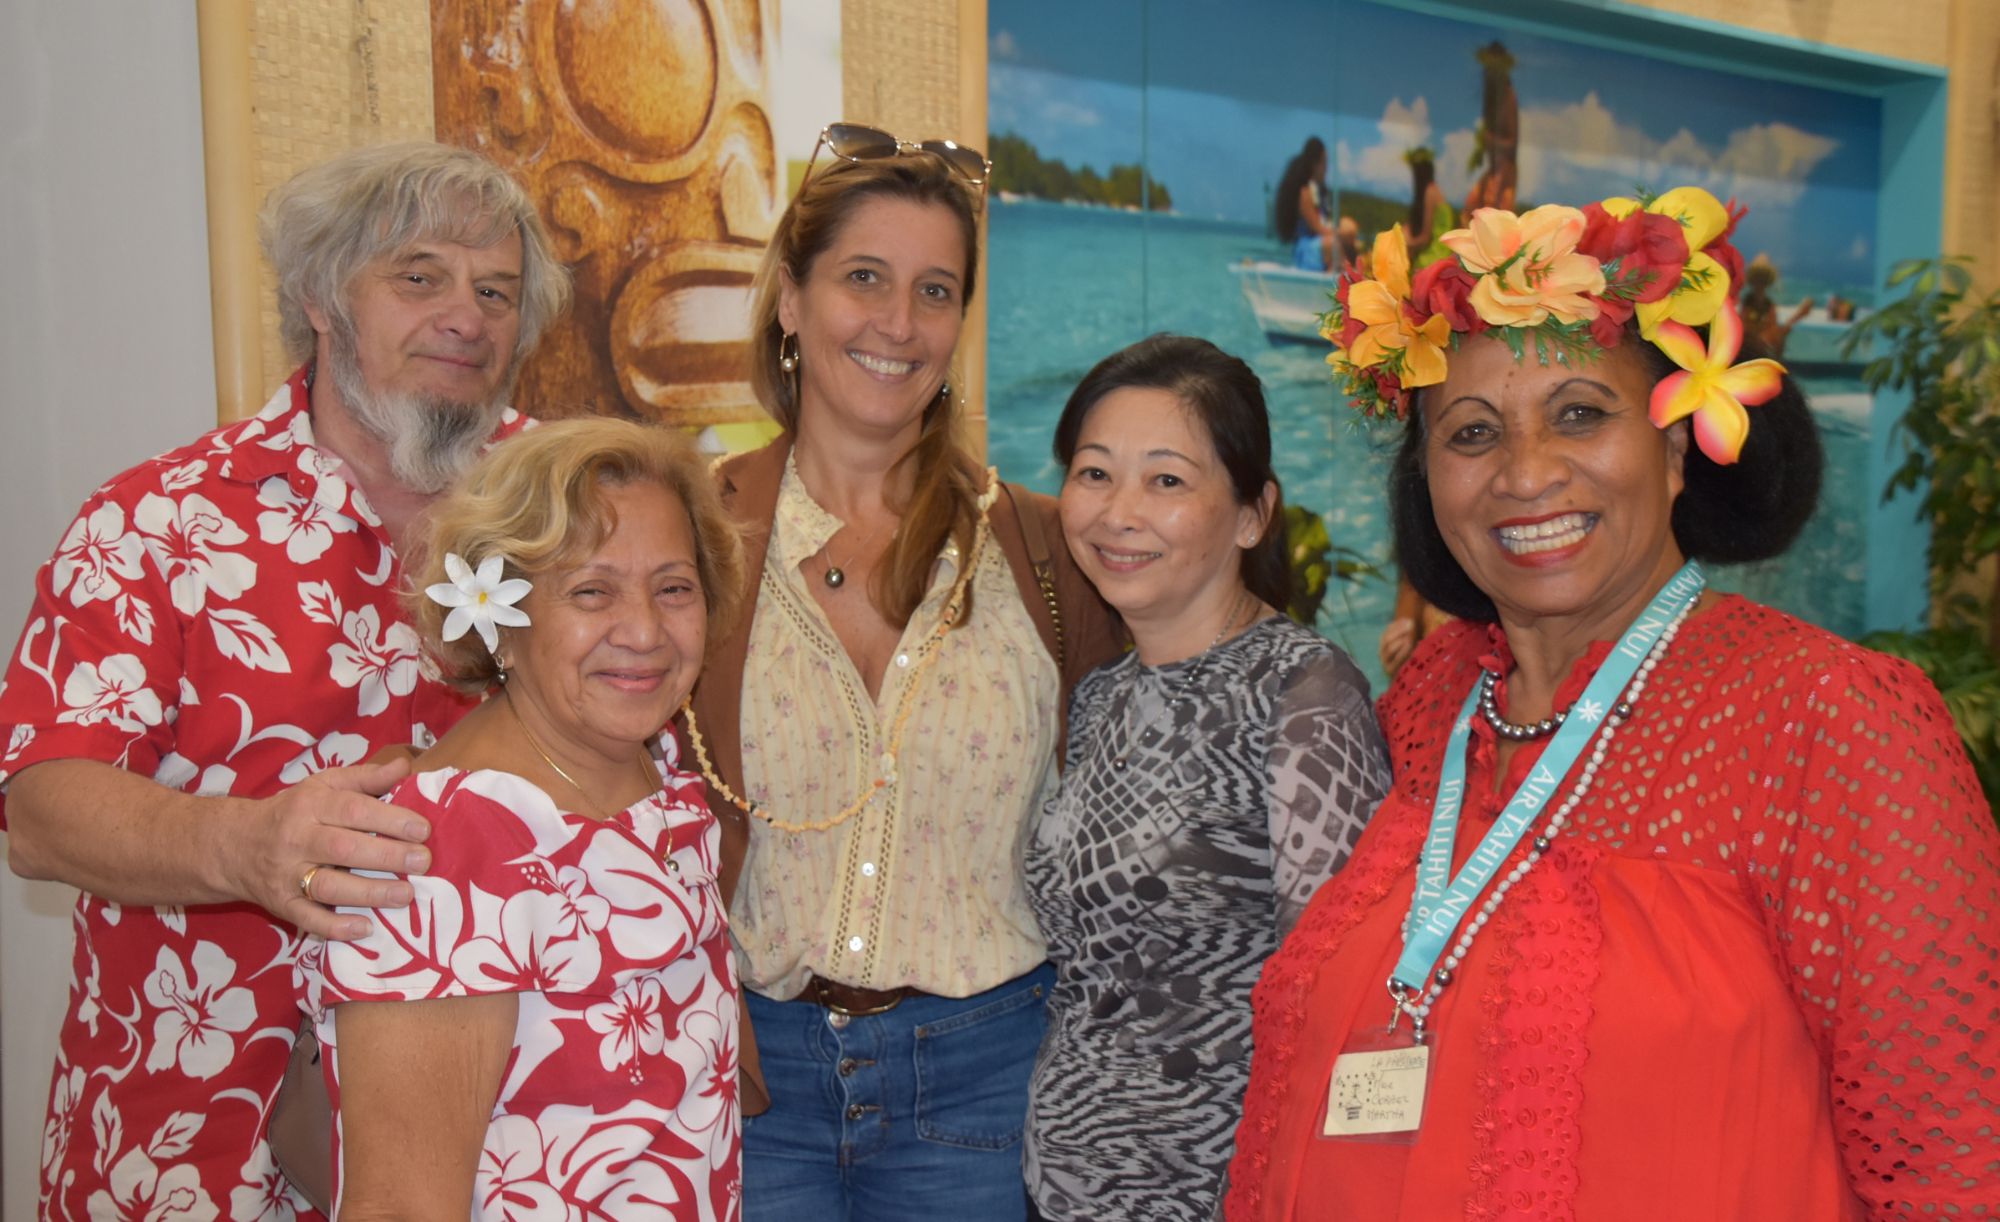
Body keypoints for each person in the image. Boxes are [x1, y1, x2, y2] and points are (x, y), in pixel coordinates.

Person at [1235, 188, 2000, 1219]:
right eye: (1469, 433)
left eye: (1579, 414)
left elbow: (1955, 1161)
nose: (1524, 472)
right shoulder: (1429, 698)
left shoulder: (1828, 721)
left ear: (1677, 446)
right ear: (1426, 480)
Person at [0, 141, 570, 1218]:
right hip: (196, 1144)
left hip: (512, 1152)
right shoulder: (157, 523)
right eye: (419, 276)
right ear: (319, 296)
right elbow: (39, 807)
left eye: (496, 291)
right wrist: (244, 847)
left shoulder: (572, 517)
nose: (467, 314)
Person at [674, 123, 1122, 1220]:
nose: (897, 323)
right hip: (745, 1070)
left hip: (983, 1075)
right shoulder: (689, 531)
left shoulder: (1047, 550)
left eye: (934, 291)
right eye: (862, 278)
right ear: (790, 298)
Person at [295, 417, 744, 1217]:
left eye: (674, 587)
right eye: (591, 591)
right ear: (502, 617)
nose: (644, 631)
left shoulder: (654, 768)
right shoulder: (442, 853)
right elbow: (401, 1206)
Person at [1024, 334, 1391, 1221]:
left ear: (1253, 514)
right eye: (1094, 472)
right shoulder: (1104, 691)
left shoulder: (1304, 692)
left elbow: (1340, 996)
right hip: (1059, 1180)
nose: (1118, 512)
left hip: (1218, 1190)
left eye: (1167, 481)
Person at [1275, 137, 1337, 273]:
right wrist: (1340, 234)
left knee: (1344, 237)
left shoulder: (1321, 192)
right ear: (1315, 164)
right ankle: (1332, 285)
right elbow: (1318, 228)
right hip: (1307, 249)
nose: (1327, 168)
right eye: (1324, 163)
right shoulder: (1305, 193)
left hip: (1319, 243)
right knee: (1333, 244)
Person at [1401, 147, 1455, 270]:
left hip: (1436, 254)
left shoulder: (1430, 192)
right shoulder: (1433, 190)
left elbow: (1426, 238)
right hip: (1440, 251)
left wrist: (1407, 245)